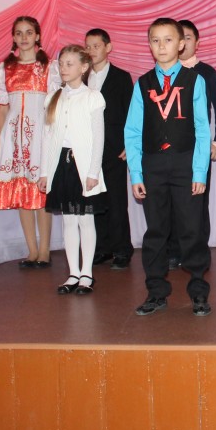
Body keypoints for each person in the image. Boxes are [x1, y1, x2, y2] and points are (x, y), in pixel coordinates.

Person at [125, 18, 212, 316]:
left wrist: (199, 172)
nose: (161, 46)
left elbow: (203, 129)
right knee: (156, 231)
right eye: (155, 40)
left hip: (185, 164)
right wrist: (136, 173)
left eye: (168, 40)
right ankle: (156, 292)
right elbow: (132, 131)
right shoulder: (142, 84)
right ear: (149, 45)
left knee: (191, 229)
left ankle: (198, 291)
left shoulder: (194, 80)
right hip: (153, 165)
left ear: (181, 44)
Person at [0, 16, 59, 268]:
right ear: (14, 38)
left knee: (40, 192)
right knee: (21, 191)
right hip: (14, 138)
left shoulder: (49, 66)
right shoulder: (5, 68)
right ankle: (31, 251)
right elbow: (3, 109)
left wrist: (53, 139)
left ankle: (45, 250)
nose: (24, 37)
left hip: (40, 135)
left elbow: (55, 106)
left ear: (37, 36)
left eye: (29, 32)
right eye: (19, 33)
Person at [40, 45, 107, 296]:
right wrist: (44, 172)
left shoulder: (93, 97)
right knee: (68, 221)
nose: (64, 68)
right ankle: (73, 272)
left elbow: (98, 138)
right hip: (61, 165)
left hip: (84, 167)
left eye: (70, 64)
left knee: (85, 220)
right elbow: (47, 138)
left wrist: (93, 172)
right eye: (61, 64)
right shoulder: (53, 97)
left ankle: (87, 272)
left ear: (84, 67)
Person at [165, 19, 216, 270]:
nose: (183, 43)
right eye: (178, 37)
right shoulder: (164, 73)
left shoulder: (207, 73)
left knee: (197, 201)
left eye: (188, 37)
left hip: (199, 149)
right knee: (171, 201)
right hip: (169, 150)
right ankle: (173, 251)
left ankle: (197, 253)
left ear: (196, 42)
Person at [85, 28, 134, 271]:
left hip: (115, 148)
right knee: (94, 200)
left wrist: (129, 143)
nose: (92, 51)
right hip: (87, 150)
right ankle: (101, 248)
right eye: (88, 46)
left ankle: (122, 249)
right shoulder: (81, 77)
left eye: (96, 46)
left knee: (116, 201)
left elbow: (131, 113)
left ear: (108, 47)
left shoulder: (122, 77)